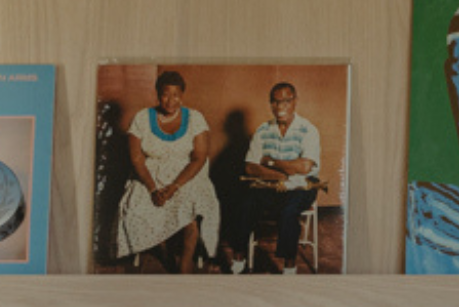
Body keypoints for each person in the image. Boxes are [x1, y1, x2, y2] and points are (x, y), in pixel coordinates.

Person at [115, 71, 220, 272]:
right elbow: (136, 158)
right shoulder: (142, 118)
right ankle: (164, 253)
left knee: (189, 209)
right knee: (139, 204)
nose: (171, 100)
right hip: (149, 175)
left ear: (183, 95)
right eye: (165, 94)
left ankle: (184, 265)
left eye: (176, 95)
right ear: (157, 94)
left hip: (187, 174)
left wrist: (174, 186)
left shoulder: (195, 118)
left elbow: (199, 158)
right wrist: (153, 189)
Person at [221, 81, 322, 274]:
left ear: (295, 102)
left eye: (286, 101)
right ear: (270, 104)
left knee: (289, 210)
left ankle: (289, 266)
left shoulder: (308, 130)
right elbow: (250, 168)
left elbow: (304, 167)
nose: (280, 107)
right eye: (275, 102)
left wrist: (270, 162)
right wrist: (282, 174)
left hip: (303, 186)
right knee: (244, 203)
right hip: (270, 185)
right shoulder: (263, 130)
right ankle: (239, 258)